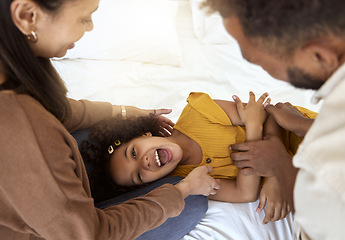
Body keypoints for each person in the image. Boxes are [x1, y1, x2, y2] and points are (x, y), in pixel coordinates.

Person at [0, 0, 221, 239]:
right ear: (27, 15)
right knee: (192, 202)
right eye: (85, 18)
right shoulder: (24, 123)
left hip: (39, 205)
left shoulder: (17, 83)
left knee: (94, 136)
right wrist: (183, 190)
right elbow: (91, 235)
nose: (91, 27)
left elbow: (61, 112)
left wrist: (122, 112)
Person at [201, 0, 345, 239]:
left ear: (319, 54)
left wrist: (279, 164)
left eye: (257, 61)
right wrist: (305, 125)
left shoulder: (325, 165)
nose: (267, 72)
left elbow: (326, 221)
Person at [82, 91, 316, 223]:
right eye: (139, 176)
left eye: (133, 152)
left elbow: (268, 115)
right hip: (301, 177)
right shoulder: (191, 179)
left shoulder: (197, 112)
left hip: (299, 133)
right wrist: (253, 127)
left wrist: (274, 175)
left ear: (141, 134)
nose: (143, 162)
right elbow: (244, 192)